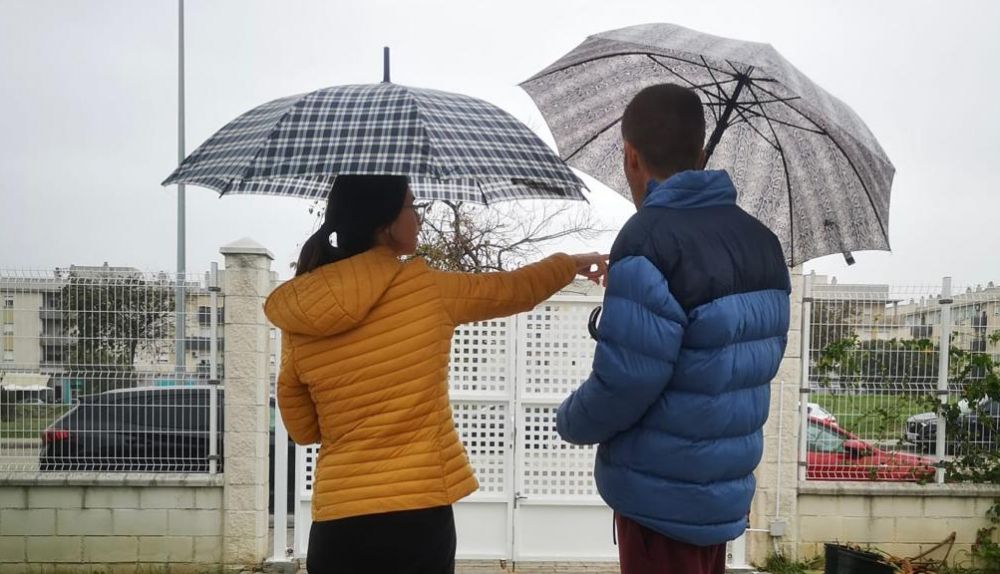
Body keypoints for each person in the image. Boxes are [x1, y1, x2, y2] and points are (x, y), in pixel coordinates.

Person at [264, 174, 607, 574]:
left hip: (339, 523)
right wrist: (570, 264)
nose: (419, 217)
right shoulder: (426, 289)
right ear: (385, 224)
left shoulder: (302, 310)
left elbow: (304, 429)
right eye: (412, 206)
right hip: (417, 518)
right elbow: (511, 288)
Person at [555, 84, 791, 574]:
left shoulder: (649, 238)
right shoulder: (763, 243)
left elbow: (626, 382)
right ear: (701, 155)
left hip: (659, 500)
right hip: (721, 493)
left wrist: (570, 421)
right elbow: (745, 358)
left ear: (630, 155)